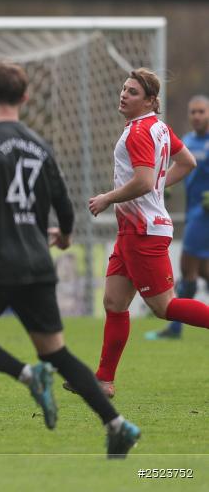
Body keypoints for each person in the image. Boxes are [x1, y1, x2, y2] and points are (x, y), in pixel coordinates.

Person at [0, 61, 141, 459]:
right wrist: (64, 234)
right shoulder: (39, 145)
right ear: (27, 98)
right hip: (37, 263)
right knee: (57, 352)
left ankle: (28, 375)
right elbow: (62, 200)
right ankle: (117, 425)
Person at [71, 69, 205, 399]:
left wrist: (107, 197)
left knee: (164, 307)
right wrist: (157, 187)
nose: (123, 94)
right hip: (132, 230)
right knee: (114, 302)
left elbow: (145, 181)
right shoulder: (158, 128)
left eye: (132, 92)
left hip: (143, 231)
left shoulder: (139, 133)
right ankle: (103, 381)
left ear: (148, 100)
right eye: (123, 89)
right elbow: (187, 162)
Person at [146, 95, 209, 340]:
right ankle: (175, 328)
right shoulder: (188, 141)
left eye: (202, 111)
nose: (197, 116)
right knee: (202, 270)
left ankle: (175, 328)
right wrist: (164, 185)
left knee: (187, 267)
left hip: (203, 216)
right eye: (193, 112)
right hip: (193, 212)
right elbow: (178, 169)